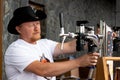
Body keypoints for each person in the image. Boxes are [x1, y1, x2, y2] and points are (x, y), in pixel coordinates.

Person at [4, 6, 99, 80]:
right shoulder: (16, 49)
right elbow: (43, 70)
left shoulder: (44, 44)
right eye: (31, 25)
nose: (37, 28)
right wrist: (78, 62)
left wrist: (94, 37)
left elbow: (69, 46)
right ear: (19, 29)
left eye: (37, 23)